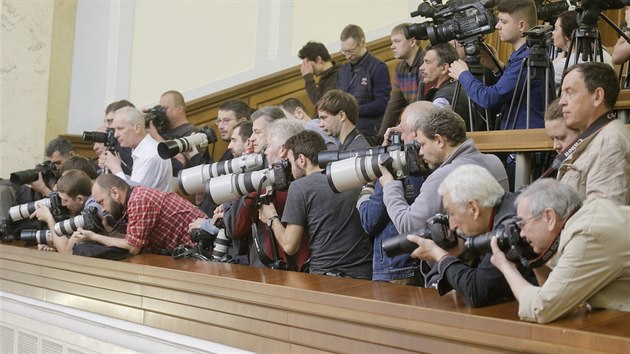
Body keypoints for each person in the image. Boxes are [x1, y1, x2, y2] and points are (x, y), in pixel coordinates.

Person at [490, 178, 630, 323]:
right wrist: (534, 259)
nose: (521, 234)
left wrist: (505, 266)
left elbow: (542, 309)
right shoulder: (591, 213)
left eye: (523, 224)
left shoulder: (587, 236)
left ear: (549, 217)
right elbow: (561, 299)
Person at [407, 164, 536, 307]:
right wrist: (464, 252)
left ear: (473, 208)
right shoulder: (507, 206)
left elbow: (477, 291)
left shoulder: (508, 228)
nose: (452, 225)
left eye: (452, 214)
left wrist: (440, 256)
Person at [259, 130, 373, 279]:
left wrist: (272, 218)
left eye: (290, 161)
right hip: (365, 272)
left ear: (301, 159)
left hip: (326, 276)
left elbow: (290, 246)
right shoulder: (351, 178)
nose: (290, 169)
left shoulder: (300, 187)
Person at [381, 107, 509, 234]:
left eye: (422, 144)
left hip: (465, 252)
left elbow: (407, 225)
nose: (420, 153)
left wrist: (389, 185)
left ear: (439, 140)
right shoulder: (494, 161)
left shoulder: (443, 177)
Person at [358, 102, 427, 284]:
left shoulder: (395, 168)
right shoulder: (433, 163)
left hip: (395, 268)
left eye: (402, 129)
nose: (398, 133)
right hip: (424, 264)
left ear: (415, 132)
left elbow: (370, 222)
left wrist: (367, 189)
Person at [449, 0, 544, 130]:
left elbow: (489, 98)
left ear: (521, 25)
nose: (497, 26)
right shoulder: (524, 55)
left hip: (525, 142)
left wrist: (463, 74)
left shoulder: (526, 58)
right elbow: (518, 88)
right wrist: (496, 66)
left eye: (503, 21)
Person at [229, 119, 310, 269]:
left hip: (279, 271)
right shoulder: (307, 179)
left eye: (268, 146)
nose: (265, 151)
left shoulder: (267, 187)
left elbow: (235, 228)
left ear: (282, 149)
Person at [73, 174, 207, 255]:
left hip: (204, 250)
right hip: (189, 251)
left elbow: (132, 247)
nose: (102, 209)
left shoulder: (139, 201)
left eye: (101, 202)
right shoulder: (133, 198)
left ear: (115, 193)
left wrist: (94, 236)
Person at [557, 62, 630, 205]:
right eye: (562, 93)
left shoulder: (609, 144)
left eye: (570, 92)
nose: (561, 102)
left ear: (597, 96)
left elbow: (602, 220)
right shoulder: (599, 137)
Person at [338, 24, 391, 144]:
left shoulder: (378, 68)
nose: (347, 55)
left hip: (370, 132)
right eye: (344, 51)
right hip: (345, 132)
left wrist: (353, 110)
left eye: (351, 51)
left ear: (363, 43)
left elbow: (382, 104)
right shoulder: (342, 71)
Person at [30, 170, 104, 254]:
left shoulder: (91, 212)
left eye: (65, 200)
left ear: (79, 199)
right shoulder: (94, 198)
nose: (62, 204)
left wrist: (48, 218)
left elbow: (66, 252)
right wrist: (55, 244)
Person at [102, 106, 173, 192]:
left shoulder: (149, 155)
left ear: (137, 128)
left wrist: (116, 169)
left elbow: (133, 195)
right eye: (115, 129)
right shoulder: (143, 150)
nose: (115, 135)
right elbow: (135, 183)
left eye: (120, 128)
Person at [378, 24, 425, 137]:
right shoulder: (400, 67)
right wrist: (381, 137)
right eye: (392, 42)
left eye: (397, 41)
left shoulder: (426, 62)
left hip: (425, 124)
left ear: (412, 42)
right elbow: (394, 105)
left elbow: (421, 102)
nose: (392, 46)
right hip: (413, 123)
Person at [551, 11, 613, 88]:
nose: (553, 33)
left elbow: (545, 78)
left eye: (556, 29)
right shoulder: (604, 54)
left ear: (568, 35)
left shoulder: (564, 65)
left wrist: (557, 60)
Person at [419, 43, 469, 122]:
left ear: (444, 68)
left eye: (427, 62)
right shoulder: (459, 87)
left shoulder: (443, 98)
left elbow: (429, 126)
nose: (421, 67)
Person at [298, 41, 339, 106]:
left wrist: (308, 77)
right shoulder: (325, 76)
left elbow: (321, 105)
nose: (307, 67)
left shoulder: (338, 76)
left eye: (308, 63)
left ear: (318, 59)